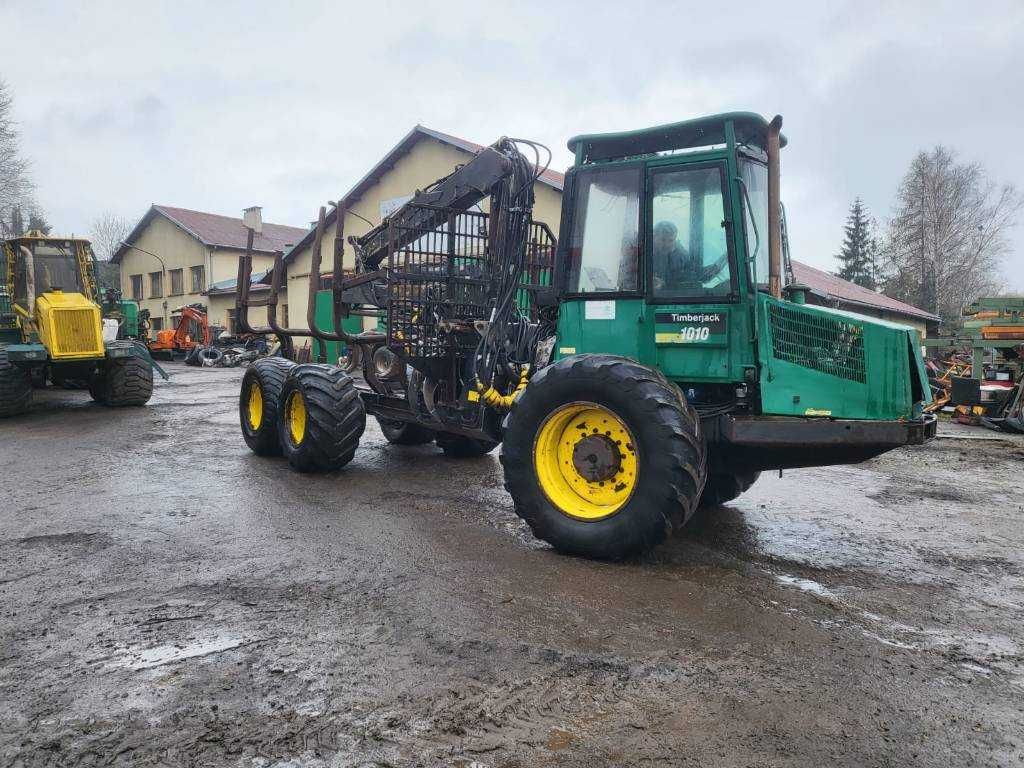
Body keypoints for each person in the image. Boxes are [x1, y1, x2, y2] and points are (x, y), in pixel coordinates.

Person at [652, 220, 727, 291]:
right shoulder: (644, 255)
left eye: (671, 240)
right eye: (663, 240)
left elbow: (693, 274)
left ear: (675, 239)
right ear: (654, 237)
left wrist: (716, 267)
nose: (667, 244)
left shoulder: (680, 255)